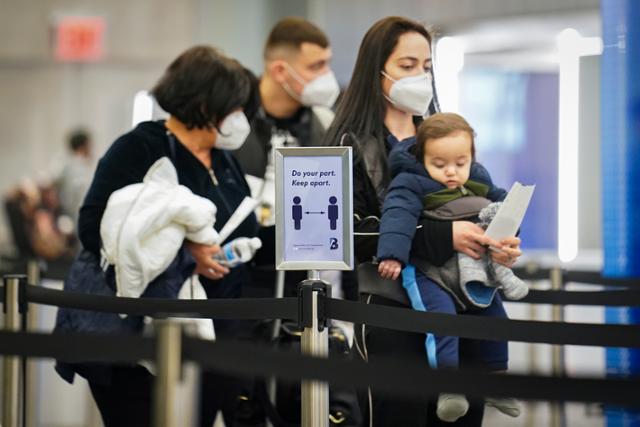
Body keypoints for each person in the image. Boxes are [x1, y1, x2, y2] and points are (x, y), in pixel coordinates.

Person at [324, 16, 522, 427]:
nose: (420, 76)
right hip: (389, 312)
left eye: (426, 66)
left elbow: (479, 200)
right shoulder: (348, 142)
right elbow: (343, 234)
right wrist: (442, 235)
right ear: (376, 70)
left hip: (465, 305)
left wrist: (500, 239)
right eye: (407, 65)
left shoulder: (442, 135)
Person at [54, 45, 259, 427]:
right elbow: (94, 225)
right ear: (204, 104)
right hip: (141, 332)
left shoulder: (225, 159)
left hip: (215, 330)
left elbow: (242, 222)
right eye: (234, 108)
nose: (240, 119)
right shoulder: (140, 147)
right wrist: (186, 253)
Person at [376, 112, 526, 422]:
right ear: (422, 157)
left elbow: (504, 207)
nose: (451, 173)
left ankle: (497, 379)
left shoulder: (479, 180)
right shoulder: (410, 181)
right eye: (440, 164)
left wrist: (508, 238)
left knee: (495, 317)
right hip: (428, 273)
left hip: (470, 272)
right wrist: (392, 255)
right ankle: (448, 389)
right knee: (442, 322)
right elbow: (397, 219)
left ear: (471, 156)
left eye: (460, 163)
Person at [232, 17, 356, 300]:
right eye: (316, 66)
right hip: (242, 280)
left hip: (306, 280)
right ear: (279, 70)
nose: (327, 75)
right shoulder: (232, 125)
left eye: (327, 63)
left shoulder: (329, 125)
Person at [55, 129, 94, 224]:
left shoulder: (85, 165)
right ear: (83, 146)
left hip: (79, 213)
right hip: (74, 214)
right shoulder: (69, 165)